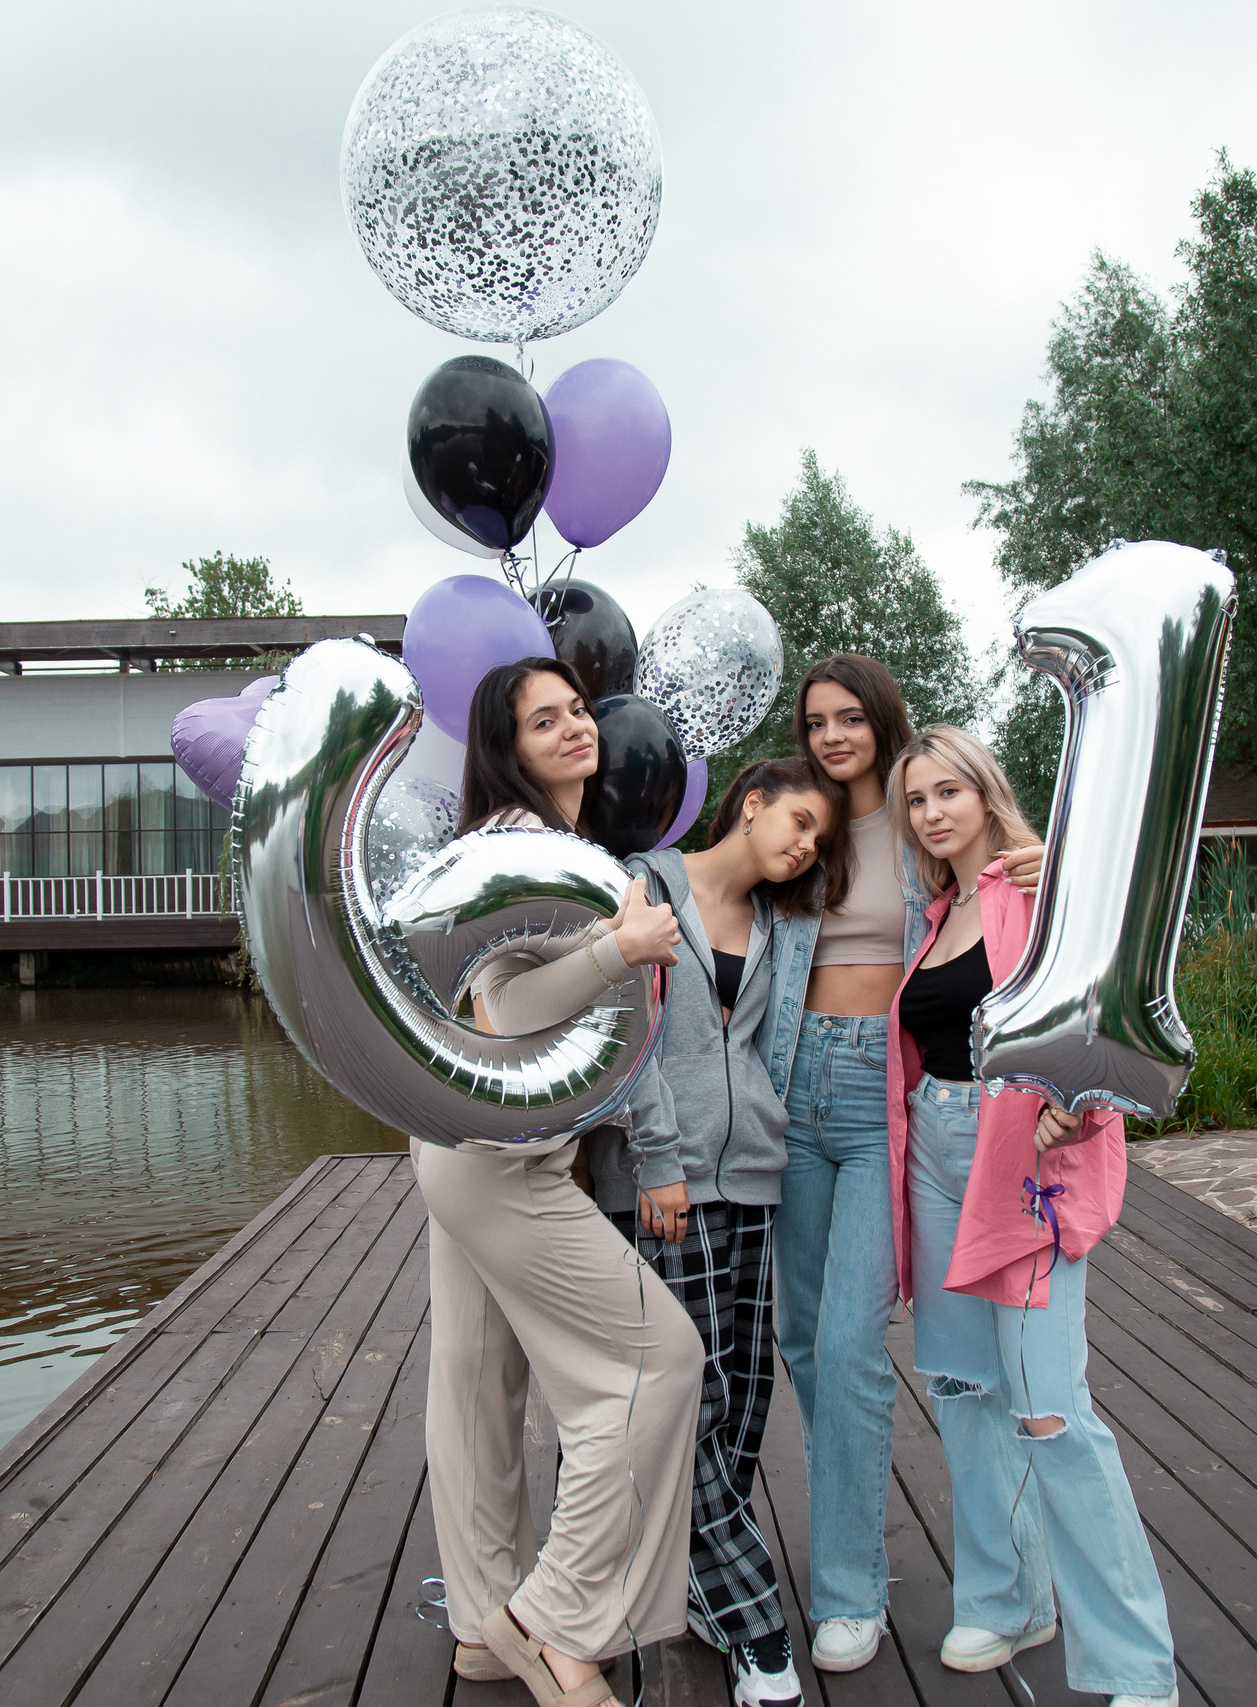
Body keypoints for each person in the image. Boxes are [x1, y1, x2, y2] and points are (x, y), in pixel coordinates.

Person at [421, 657, 703, 1707]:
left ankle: (481, 1628)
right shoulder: (510, 854)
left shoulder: (550, 850)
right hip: (498, 1160)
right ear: (509, 746)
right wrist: (614, 953)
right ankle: (553, 1620)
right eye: (545, 721)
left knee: (476, 1389)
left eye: (578, 710)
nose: (576, 728)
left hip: (469, 1147)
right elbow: (491, 1018)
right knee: (656, 1363)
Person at [886, 725, 1177, 1707]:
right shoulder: (934, 913)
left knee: (1052, 1410)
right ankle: (1006, 1598)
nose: (931, 812)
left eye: (946, 791)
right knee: (966, 1390)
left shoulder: (1038, 889)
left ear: (982, 792)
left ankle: (1134, 1662)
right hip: (936, 1152)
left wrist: (1086, 1101)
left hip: (1024, 1157)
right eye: (916, 800)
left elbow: (1114, 1005)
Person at [769, 654, 1040, 1673]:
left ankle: (847, 1594)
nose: (833, 735)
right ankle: (846, 1547)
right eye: (815, 721)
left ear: (883, 721)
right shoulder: (800, 821)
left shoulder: (920, 820)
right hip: (789, 1087)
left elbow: (1008, 881)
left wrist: (1046, 858)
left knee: (847, 1342)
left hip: (881, 1092)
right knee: (801, 1339)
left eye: (849, 718)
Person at [581, 755, 846, 1707]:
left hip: (752, 1180)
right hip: (665, 1182)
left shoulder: (784, 922)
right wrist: (657, 1159)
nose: (806, 844)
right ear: (752, 801)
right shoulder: (647, 884)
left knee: (742, 1396)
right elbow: (622, 1028)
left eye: (819, 836)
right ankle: (757, 1619)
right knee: (683, 1400)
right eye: (799, 821)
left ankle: (695, 1580)